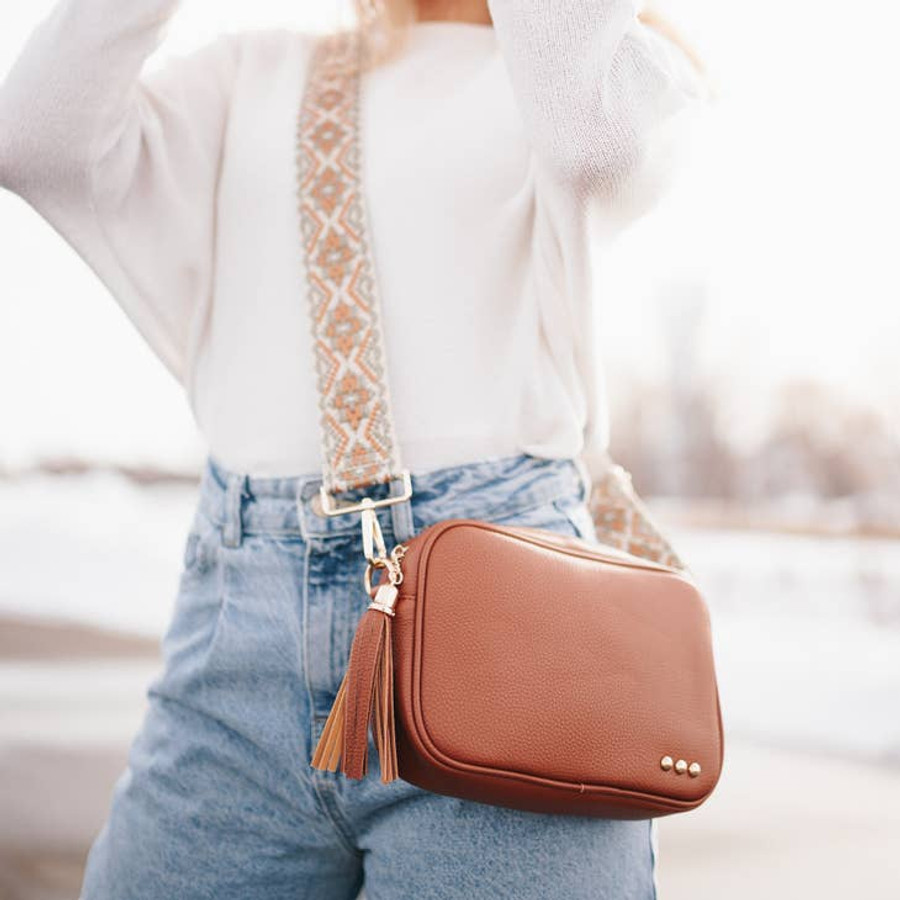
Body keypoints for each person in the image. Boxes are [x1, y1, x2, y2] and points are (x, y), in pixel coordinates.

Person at [0, 0, 708, 897]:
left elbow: (584, 142)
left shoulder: (616, 68)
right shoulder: (253, 72)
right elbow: (34, 135)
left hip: (511, 640)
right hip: (238, 650)